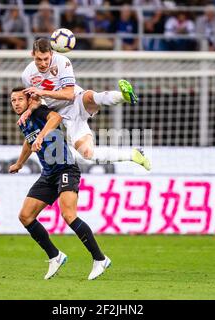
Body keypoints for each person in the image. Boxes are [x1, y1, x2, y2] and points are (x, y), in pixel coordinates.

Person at [8, 87, 111, 280]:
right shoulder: (23, 121)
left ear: (29, 100)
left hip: (66, 169)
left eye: (20, 99)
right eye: (13, 100)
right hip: (48, 174)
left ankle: (100, 259)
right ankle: (55, 256)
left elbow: (55, 118)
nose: (16, 103)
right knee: (25, 216)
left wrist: (41, 136)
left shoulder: (39, 111)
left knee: (68, 215)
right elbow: (29, 142)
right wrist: (20, 163)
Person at [19, 38, 151, 170]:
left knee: (91, 97)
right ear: (32, 55)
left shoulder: (62, 62)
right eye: (38, 59)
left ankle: (124, 97)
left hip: (77, 100)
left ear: (51, 54)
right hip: (66, 116)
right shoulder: (27, 75)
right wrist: (29, 111)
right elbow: (36, 100)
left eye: (46, 59)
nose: (42, 63)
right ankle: (134, 155)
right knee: (87, 153)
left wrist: (43, 92)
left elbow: (69, 94)